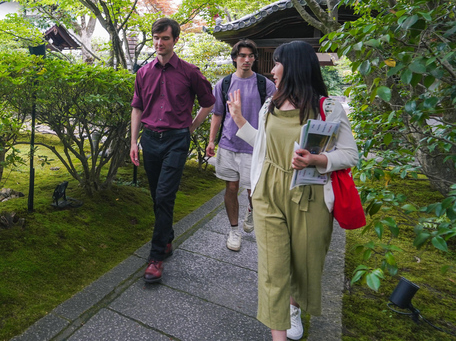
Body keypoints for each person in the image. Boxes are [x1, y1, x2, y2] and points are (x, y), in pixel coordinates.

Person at [227, 40, 358, 341]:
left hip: (309, 195)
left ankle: (294, 307)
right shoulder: (269, 104)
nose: (271, 70)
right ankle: (279, 335)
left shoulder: (329, 108)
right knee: (273, 268)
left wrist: (318, 159)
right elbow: (262, 145)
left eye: (276, 63)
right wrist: (239, 121)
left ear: (294, 65)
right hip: (268, 191)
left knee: (304, 262)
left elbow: (350, 154)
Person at [130, 18, 215, 283]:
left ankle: (156, 258)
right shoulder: (143, 72)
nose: (159, 43)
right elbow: (137, 107)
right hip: (150, 140)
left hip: (177, 139)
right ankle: (166, 239)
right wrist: (133, 141)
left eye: (165, 38)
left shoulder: (190, 72)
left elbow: (208, 103)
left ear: (175, 40)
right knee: (157, 195)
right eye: (156, 38)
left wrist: (190, 129)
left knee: (165, 196)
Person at [206, 40, 276, 252]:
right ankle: (234, 230)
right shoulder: (224, 84)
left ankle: (252, 210)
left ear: (254, 58)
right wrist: (211, 140)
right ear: (235, 58)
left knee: (253, 190)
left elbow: (274, 118)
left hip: (254, 146)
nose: (246, 60)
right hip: (229, 143)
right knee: (232, 187)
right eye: (242, 55)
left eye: (250, 56)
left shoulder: (266, 85)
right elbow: (218, 113)